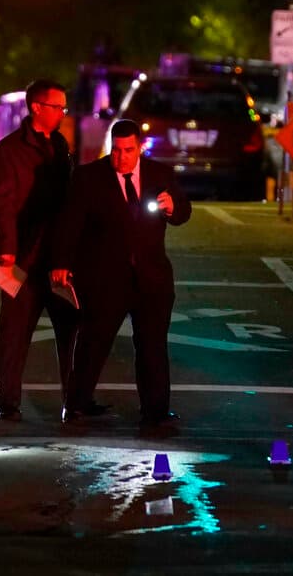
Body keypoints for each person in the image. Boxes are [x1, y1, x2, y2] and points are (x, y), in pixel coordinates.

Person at [51, 119, 192, 427]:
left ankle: (155, 410)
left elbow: (183, 210)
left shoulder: (159, 174)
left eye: (128, 150)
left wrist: (173, 207)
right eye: (116, 150)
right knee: (93, 342)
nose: (121, 157)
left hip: (151, 278)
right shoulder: (89, 177)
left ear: (139, 147)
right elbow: (69, 223)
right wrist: (61, 263)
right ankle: (76, 404)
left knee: (153, 346)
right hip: (105, 277)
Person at [0, 80, 79, 422]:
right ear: (37, 107)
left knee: (70, 330)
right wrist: (7, 249)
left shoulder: (59, 145)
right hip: (22, 257)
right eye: (58, 107)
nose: (62, 114)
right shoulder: (9, 150)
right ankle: (7, 399)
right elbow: (2, 204)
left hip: (57, 258)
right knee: (13, 332)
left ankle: (75, 398)